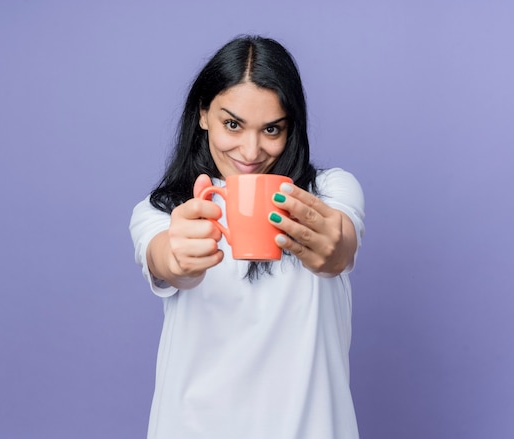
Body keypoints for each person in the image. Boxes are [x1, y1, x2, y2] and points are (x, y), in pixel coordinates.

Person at [129, 35, 365, 439]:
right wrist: (178, 260)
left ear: (292, 127)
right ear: (203, 114)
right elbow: (166, 262)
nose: (251, 150)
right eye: (233, 124)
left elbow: (338, 249)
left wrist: (330, 249)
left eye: (271, 129)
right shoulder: (165, 209)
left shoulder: (328, 193)